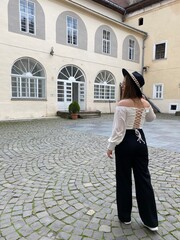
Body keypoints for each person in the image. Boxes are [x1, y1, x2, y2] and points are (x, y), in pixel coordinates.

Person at [107, 68, 158, 231]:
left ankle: (125, 216)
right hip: (141, 141)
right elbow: (151, 118)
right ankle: (151, 221)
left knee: (123, 179)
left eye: (124, 82)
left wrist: (110, 146)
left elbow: (118, 130)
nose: (122, 84)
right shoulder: (144, 103)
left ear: (129, 85)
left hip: (125, 143)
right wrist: (145, 103)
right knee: (144, 179)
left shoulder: (122, 105)